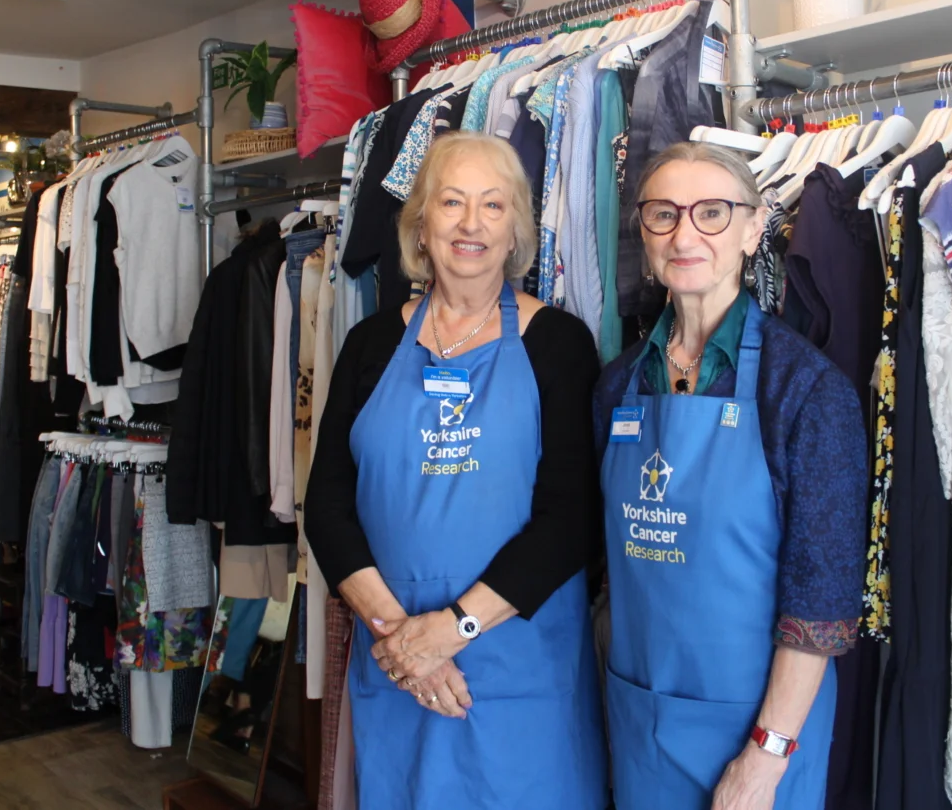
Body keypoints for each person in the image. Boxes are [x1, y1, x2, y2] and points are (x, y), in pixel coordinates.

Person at [305, 131, 607, 810]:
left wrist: (450, 631)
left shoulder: (559, 343)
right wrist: (401, 640)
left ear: (515, 232)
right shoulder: (370, 344)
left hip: (514, 666)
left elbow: (571, 520)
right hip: (395, 660)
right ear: (421, 225)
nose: (471, 224)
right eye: (452, 203)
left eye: (493, 206)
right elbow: (326, 503)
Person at [594, 142, 868, 810]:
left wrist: (766, 755)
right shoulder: (616, 387)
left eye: (711, 213)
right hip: (640, 722)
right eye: (664, 214)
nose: (685, 234)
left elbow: (820, 603)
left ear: (752, 229)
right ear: (644, 232)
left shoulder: (804, 391)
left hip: (760, 734)